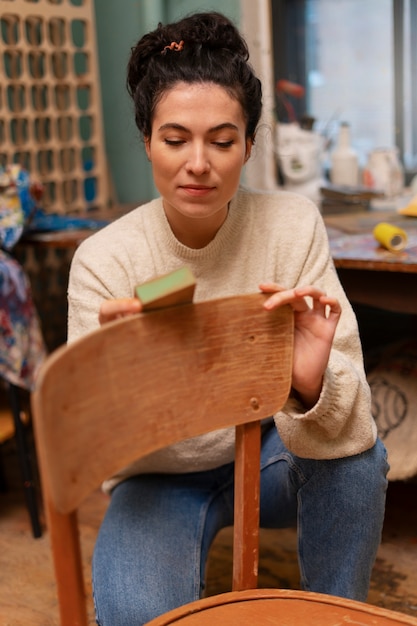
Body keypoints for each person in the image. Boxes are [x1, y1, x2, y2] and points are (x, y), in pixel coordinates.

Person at [67, 12, 389, 626]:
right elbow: (90, 447)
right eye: (175, 138)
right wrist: (116, 379)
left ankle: (339, 616)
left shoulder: (292, 226)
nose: (199, 163)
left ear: (248, 143)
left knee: (358, 461)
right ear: (146, 141)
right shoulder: (104, 260)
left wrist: (311, 384)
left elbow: (355, 420)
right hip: (158, 475)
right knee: (134, 615)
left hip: (268, 448)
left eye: (221, 140)